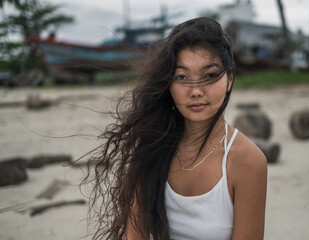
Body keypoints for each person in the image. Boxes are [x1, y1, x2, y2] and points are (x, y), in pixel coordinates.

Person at [85, 17, 267, 240]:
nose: (196, 90)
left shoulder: (247, 161)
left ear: (229, 78)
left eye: (209, 75)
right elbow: (134, 235)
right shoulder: (152, 146)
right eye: (182, 77)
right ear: (168, 83)